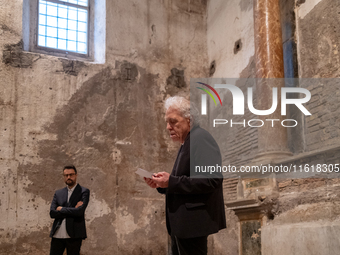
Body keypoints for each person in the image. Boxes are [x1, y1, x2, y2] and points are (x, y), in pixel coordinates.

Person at [144, 96, 226, 255]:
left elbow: (212, 179)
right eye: (167, 122)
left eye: (173, 121)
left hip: (192, 223)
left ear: (190, 120)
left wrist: (171, 181)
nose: (168, 127)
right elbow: (184, 181)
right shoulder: (188, 141)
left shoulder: (200, 138)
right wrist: (162, 184)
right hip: (184, 224)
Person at [49, 165, 90, 255]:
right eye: (66, 175)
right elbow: (52, 213)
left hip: (74, 233)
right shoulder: (58, 193)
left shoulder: (84, 191)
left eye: (71, 175)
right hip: (57, 233)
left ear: (76, 175)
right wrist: (73, 210)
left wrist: (61, 209)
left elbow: (79, 212)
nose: (68, 177)